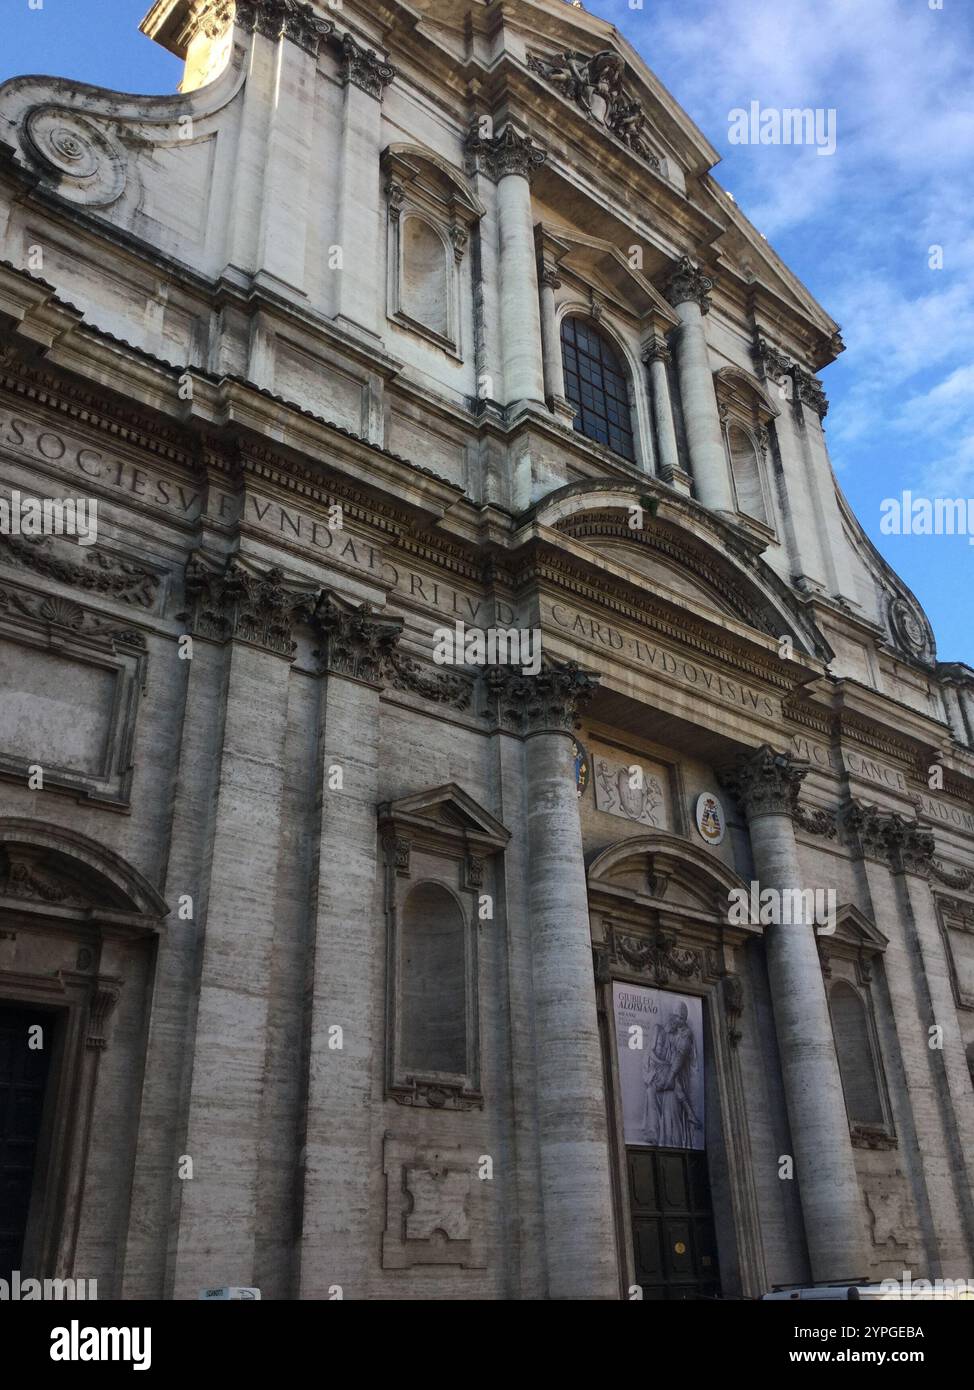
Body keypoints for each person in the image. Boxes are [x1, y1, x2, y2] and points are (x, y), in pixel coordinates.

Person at [642, 1001, 702, 1147]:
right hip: (659, 1072)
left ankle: (683, 1123)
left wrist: (669, 1072)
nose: (678, 1021)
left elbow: (679, 1059)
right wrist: (664, 1066)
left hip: (673, 1075)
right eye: (677, 1017)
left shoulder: (685, 1035)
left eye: (681, 1018)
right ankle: (688, 1115)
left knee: (672, 1088)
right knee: (654, 1089)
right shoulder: (661, 1030)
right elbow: (651, 1054)